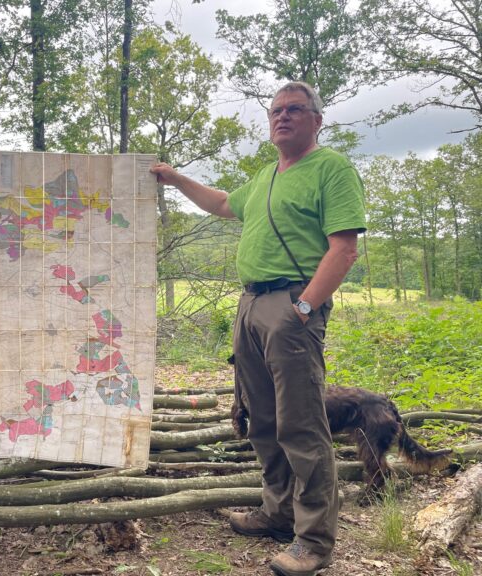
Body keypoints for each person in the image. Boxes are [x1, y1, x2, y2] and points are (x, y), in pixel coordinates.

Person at [150, 82, 366, 576]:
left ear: (316, 119)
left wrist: (307, 307)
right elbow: (224, 204)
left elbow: (344, 248)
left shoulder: (331, 168)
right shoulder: (267, 175)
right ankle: (277, 512)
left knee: (302, 425)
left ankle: (313, 542)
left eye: (294, 110)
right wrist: (176, 178)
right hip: (250, 306)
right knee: (261, 419)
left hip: (291, 306)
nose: (282, 117)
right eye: (276, 111)